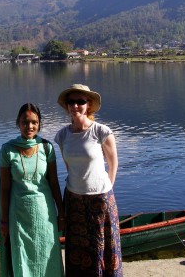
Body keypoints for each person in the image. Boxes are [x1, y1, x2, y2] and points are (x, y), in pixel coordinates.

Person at [54, 84, 123, 277]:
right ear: (66, 106)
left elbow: (113, 164)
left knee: (104, 245)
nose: (75, 105)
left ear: (89, 105)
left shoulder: (102, 131)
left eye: (80, 101)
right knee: (78, 248)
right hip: (74, 198)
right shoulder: (62, 135)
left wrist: (106, 189)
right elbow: (69, 166)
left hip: (100, 197)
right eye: (71, 102)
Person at [0, 103, 64, 277]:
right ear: (17, 123)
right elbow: (4, 188)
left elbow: (54, 183)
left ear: (39, 124)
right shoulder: (7, 150)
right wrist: (4, 221)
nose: (30, 126)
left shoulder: (47, 148)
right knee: (22, 257)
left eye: (34, 122)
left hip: (44, 213)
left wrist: (61, 212)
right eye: (25, 122)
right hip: (18, 214)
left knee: (48, 254)